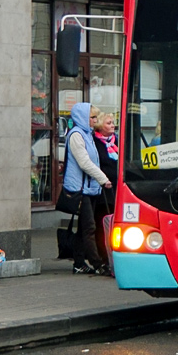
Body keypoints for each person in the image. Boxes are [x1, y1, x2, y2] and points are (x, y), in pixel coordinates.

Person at [61, 101, 111, 275]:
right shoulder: (77, 135)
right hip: (80, 189)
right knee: (89, 227)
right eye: (92, 117)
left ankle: (79, 263)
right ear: (82, 117)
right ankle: (97, 264)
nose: (94, 121)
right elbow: (84, 162)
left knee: (84, 228)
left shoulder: (87, 134)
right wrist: (103, 179)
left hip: (89, 187)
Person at [91, 112, 119, 275]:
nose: (112, 125)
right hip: (103, 190)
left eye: (113, 123)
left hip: (117, 190)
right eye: (109, 123)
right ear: (101, 126)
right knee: (102, 226)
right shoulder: (96, 143)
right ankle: (104, 257)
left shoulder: (116, 142)